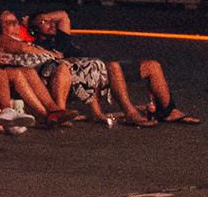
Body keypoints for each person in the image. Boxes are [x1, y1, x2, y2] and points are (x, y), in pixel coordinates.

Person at [29, 9, 196, 125]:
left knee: (152, 66)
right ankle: (130, 113)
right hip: (83, 74)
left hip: (99, 67)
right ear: (35, 30)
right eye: (44, 22)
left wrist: (37, 18)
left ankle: (169, 111)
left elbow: (63, 16)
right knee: (113, 66)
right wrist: (30, 24)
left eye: (51, 21)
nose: (51, 24)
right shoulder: (37, 45)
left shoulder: (61, 36)